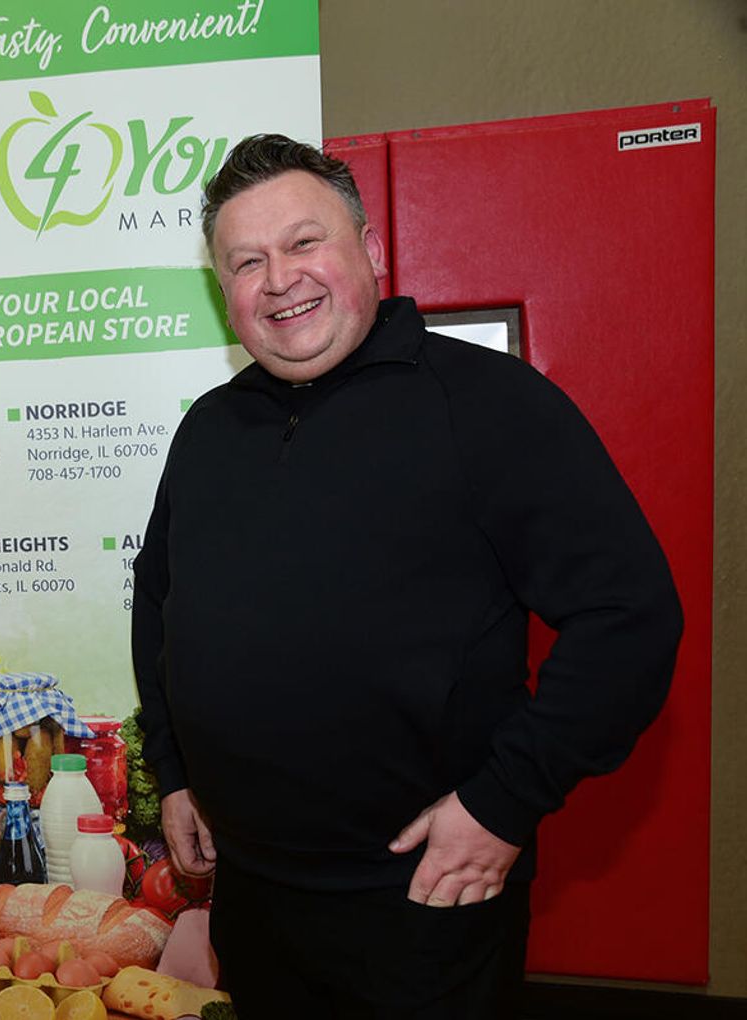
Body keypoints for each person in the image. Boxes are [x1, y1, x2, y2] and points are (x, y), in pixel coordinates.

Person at [131, 135, 682, 1019]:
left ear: (372, 249)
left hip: (423, 902)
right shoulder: (207, 434)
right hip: (254, 898)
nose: (279, 278)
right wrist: (174, 772)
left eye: (304, 243)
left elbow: (630, 616)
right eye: (247, 261)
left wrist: (504, 803)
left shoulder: (489, 404)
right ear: (224, 291)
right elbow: (159, 601)